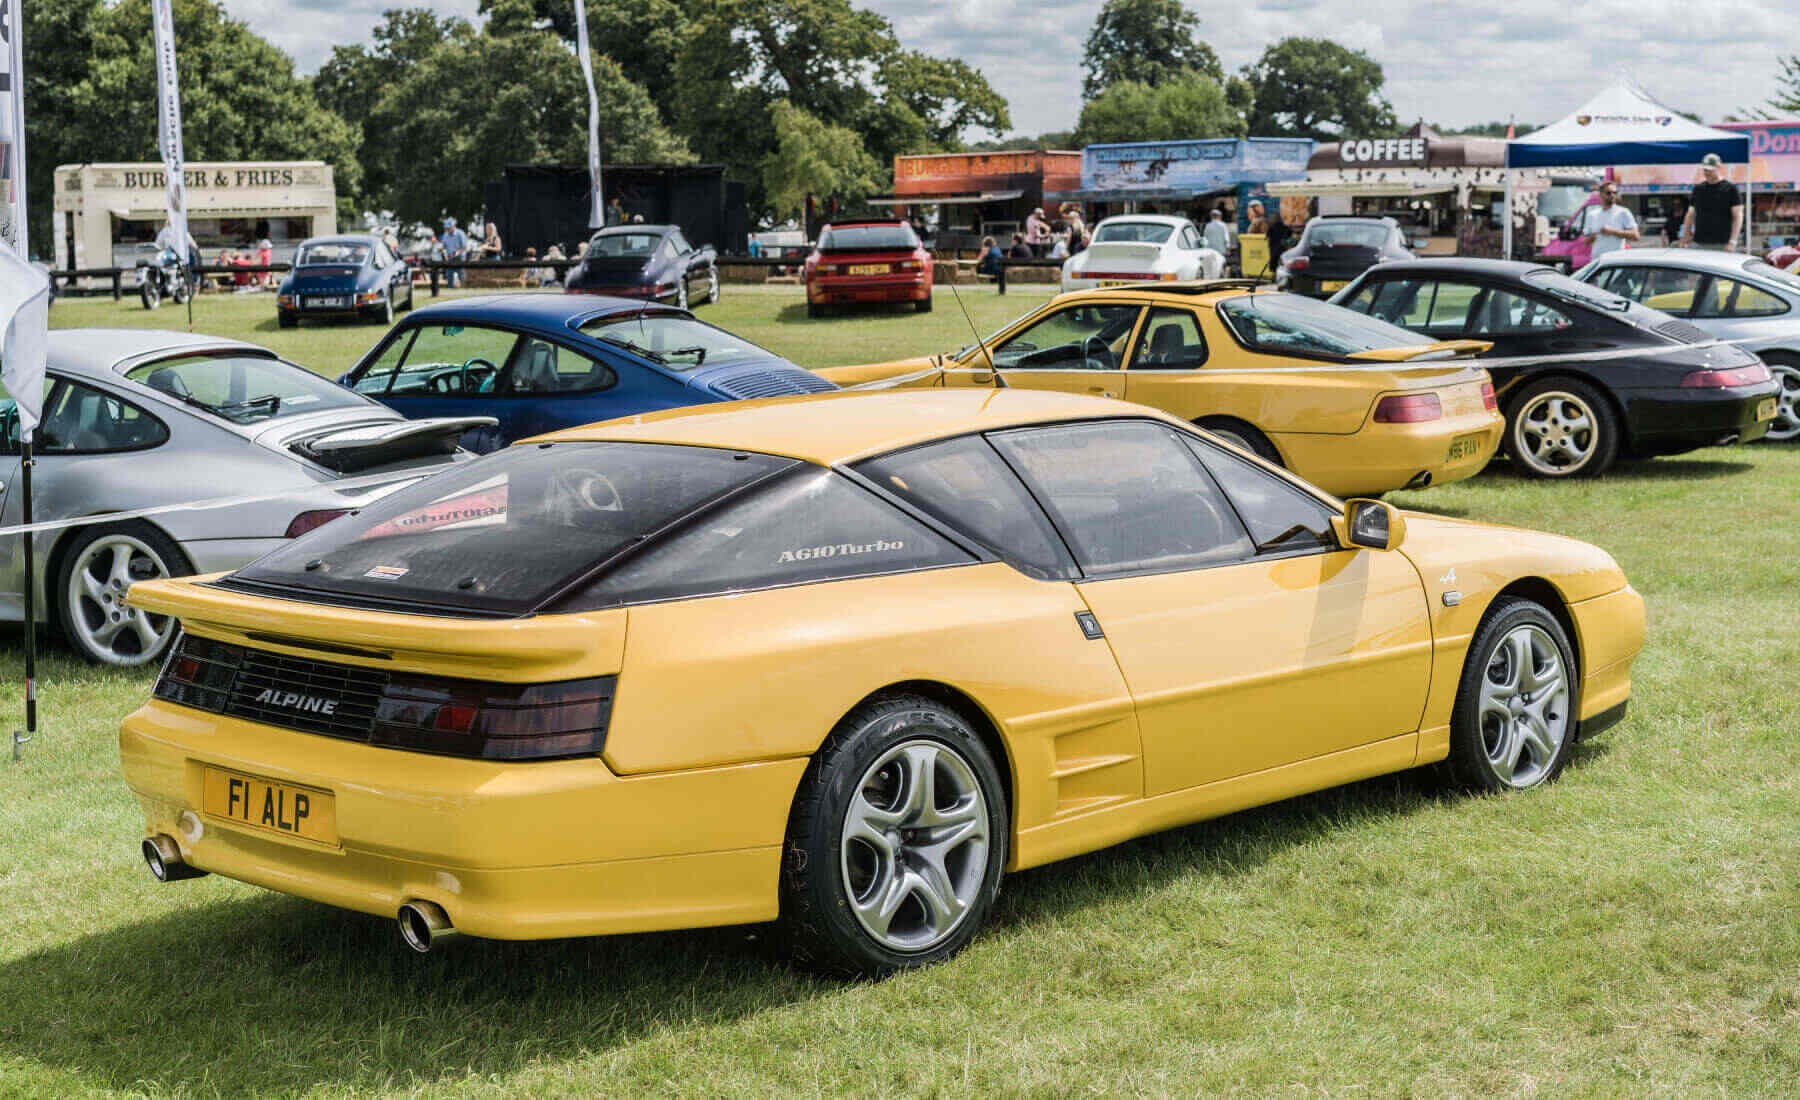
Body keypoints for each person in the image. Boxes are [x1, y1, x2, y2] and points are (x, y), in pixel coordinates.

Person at [1679, 154, 1744, 251]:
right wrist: (1685, 237)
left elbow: (1738, 216)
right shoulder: (1698, 189)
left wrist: (1733, 241)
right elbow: (1690, 215)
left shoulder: (1731, 189)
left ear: (1719, 168)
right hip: (1699, 243)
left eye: (1710, 169)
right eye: (1705, 169)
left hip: (1723, 244)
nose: (1707, 172)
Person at [1580, 181, 1639, 259]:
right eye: (1608, 193)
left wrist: (1612, 231)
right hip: (1598, 261)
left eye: (1615, 192)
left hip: (1617, 261)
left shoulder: (1623, 212)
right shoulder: (1592, 215)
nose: (1612, 195)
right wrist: (1594, 235)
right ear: (1600, 195)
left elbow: (1635, 236)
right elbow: (1585, 242)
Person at [440, 217, 468, 287]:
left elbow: (464, 247)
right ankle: (450, 289)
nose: (447, 229)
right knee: (449, 275)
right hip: (450, 258)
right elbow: (443, 247)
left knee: (461, 275)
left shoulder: (460, 233)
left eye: (449, 228)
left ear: (453, 226)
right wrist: (444, 254)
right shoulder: (445, 235)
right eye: (446, 228)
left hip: (460, 258)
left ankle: (464, 288)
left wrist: (457, 253)